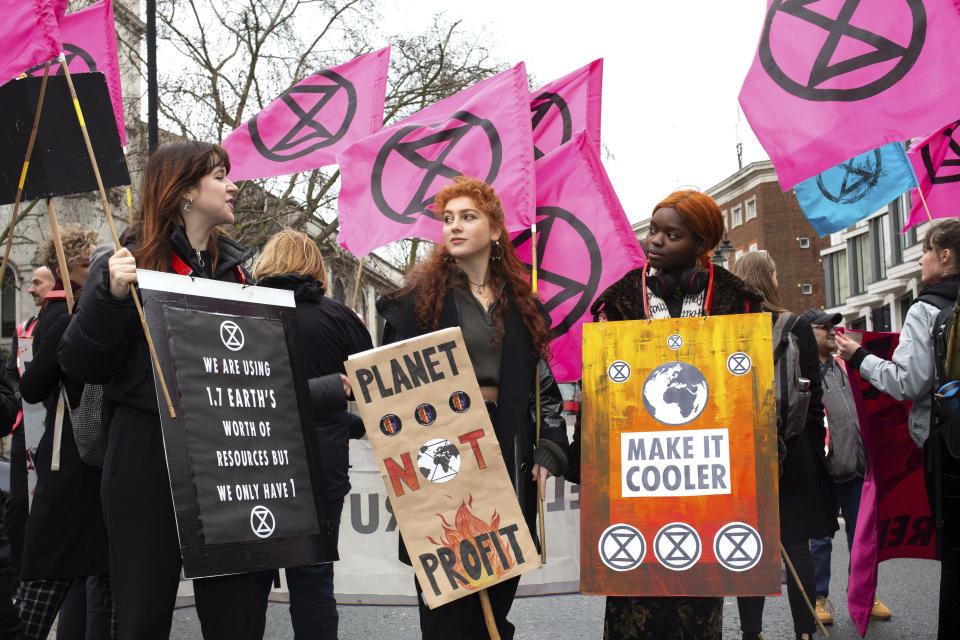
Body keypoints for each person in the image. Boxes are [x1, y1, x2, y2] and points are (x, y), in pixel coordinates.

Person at [58, 141, 274, 639]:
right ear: (184, 192)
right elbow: (80, 363)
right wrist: (110, 298)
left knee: (236, 614)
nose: (233, 185)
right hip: (146, 452)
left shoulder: (238, 270)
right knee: (143, 612)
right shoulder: (123, 260)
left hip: (225, 454)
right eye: (220, 175)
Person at [376, 176, 569, 639]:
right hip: (440, 458)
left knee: (496, 605)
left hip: (506, 454)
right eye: (447, 219)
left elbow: (543, 387)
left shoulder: (523, 305)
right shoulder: (416, 304)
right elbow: (390, 394)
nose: (454, 227)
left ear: (496, 230)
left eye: (468, 217)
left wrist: (550, 448)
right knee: (446, 608)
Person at [567, 190, 764, 640]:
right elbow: (596, 389)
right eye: (653, 229)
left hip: (710, 477)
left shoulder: (740, 303)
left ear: (701, 245)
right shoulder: (616, 303)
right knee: (632, 588)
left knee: (698, 595)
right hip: (636, 476)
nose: (653, 241)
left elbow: (755, 391)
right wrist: (588, 460)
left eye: (670, 235)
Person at [834, 220, 960, 640]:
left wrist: (858, 356)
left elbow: (908, 382)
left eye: (926, 250)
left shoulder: (926, 308)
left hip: (950, 449)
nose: (921, 258)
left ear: (944, 256)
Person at [252, 229, 373, 639]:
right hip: (321, 473)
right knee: (314, 581)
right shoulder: (337, 316)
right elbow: (369, 384)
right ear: (315, 266)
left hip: (252, 465)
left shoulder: (242, 312)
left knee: (247, 584)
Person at [731, 251, 837, 640]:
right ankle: (804, 631)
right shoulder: (796, 326)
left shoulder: (728, 327)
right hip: (792, 449)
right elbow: (814, 397)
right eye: (775, 272)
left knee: (750, 545)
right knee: (797, 544)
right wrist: (812, 455)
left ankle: (752, 632)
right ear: (767, 277)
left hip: (742, 453)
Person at [16, 226, 115, 640]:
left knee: (54, 580)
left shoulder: (67, 315)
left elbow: (32, 386)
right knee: (86, 584)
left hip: (73, 464)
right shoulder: (70, 314)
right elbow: (33, 387)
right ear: (69, 268)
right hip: (86, 464)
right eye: (83, 263)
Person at [799, 308, 891, 626]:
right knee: (821, 538)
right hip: (823, 470)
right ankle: (820, 598)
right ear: (806, 332)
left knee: (861, 536)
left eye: (832, 326)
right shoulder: (801, 369)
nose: (831, 331)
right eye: (822, 326)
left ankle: (864, 593)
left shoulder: (843, 365)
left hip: (855, 465)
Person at [2, 265, 56, 581]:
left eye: (37, 282)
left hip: (57, 428)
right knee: (19, 504)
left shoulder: (65, 321)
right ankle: (16, 575)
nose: (31, 288)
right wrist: (24, 398)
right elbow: (11, 374)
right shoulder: (23, 328)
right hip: (26, 427)